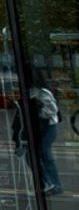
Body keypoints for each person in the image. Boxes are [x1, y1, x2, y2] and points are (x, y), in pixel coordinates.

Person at [11, 66, 62, 195]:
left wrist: (37, 112)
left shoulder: (42, 92)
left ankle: (49, 184)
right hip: (41, 127)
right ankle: (51, 184)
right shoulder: (31, 90)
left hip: (47, 127)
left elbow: (52, 110)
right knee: (44, 156)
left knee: (38, 155)